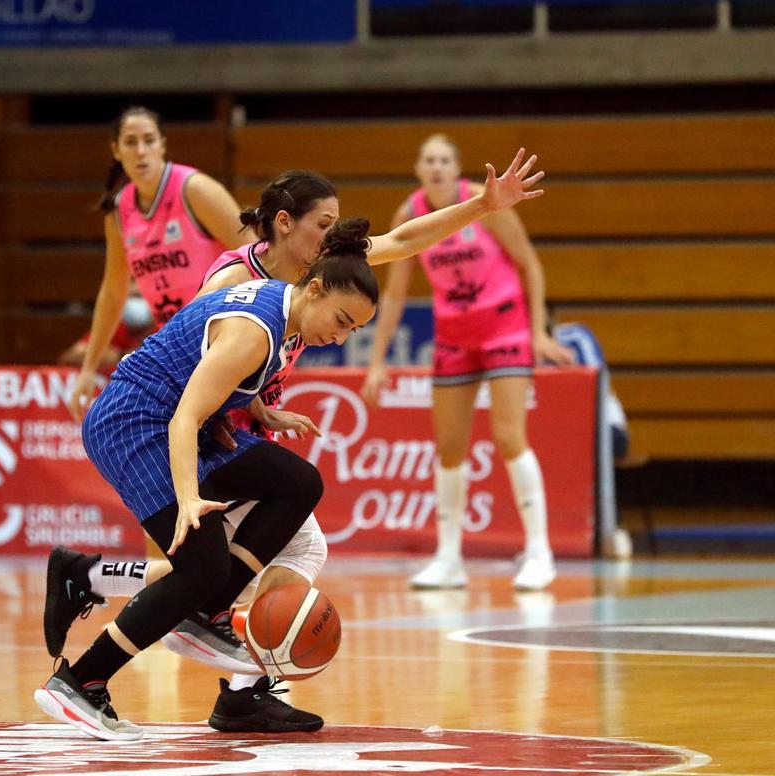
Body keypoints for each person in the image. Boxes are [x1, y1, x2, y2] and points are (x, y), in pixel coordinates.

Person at [46, 150, 547, 689]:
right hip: (183, 423)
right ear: (286, 224)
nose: (334, 237)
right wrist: (231, 416)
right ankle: (231, 686)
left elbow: (403, 241)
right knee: (257, 556)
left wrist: (482, 205)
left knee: (238, 559)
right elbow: (200, 359)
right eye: (324, 224)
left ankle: (104, 583)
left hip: (236, 414)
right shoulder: (236, 278)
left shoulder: (323, 270)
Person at [36, 220, 380, 741]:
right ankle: (81, 681)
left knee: (298, 481)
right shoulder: (257, 330)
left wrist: (262, 413)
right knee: (198, 565)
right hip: (136, 424)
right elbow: (183, 418)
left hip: (173, 421)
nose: (340, 335)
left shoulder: (282, 307)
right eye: (341, 319)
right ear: (314, 289)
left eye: (353, 330)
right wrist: (191, 496)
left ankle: (208, 607)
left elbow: (210, 367)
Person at [360, 134, 572, 592]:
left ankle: (539, 550)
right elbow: (395, 293)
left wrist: (537, 331)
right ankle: (449, 557)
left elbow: (528, 264)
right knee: (450, 446)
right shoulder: (409, 213)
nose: (436, 167)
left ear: (457, 169)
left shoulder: (486, 201)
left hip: (504, 328)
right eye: (429, 160)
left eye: (444, 160)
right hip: (454, 336)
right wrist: (376, 362)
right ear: (419, 169)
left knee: (508, 434)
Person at [65, 105, 255, 420]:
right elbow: (113, 293)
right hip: (176, 349)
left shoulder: (195, 189)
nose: (141, 151)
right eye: (130, 142)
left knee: (234, 445)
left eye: (149, 140)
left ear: (162, 144)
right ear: (116, 150)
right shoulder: (118, 213)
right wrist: (88, 368)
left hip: (224, 338)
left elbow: (257, 255)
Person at [549, 311, 629, 460]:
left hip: (596, 425)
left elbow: (600, 391)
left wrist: (567, 372)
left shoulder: (575, 337)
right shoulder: (509, 346)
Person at [57, 291, 154, 375]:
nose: (135, 288)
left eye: (138, 297)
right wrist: (120, 356)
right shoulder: (114, 328)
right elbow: (71, 357)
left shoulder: (164, 328)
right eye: (132, 298)